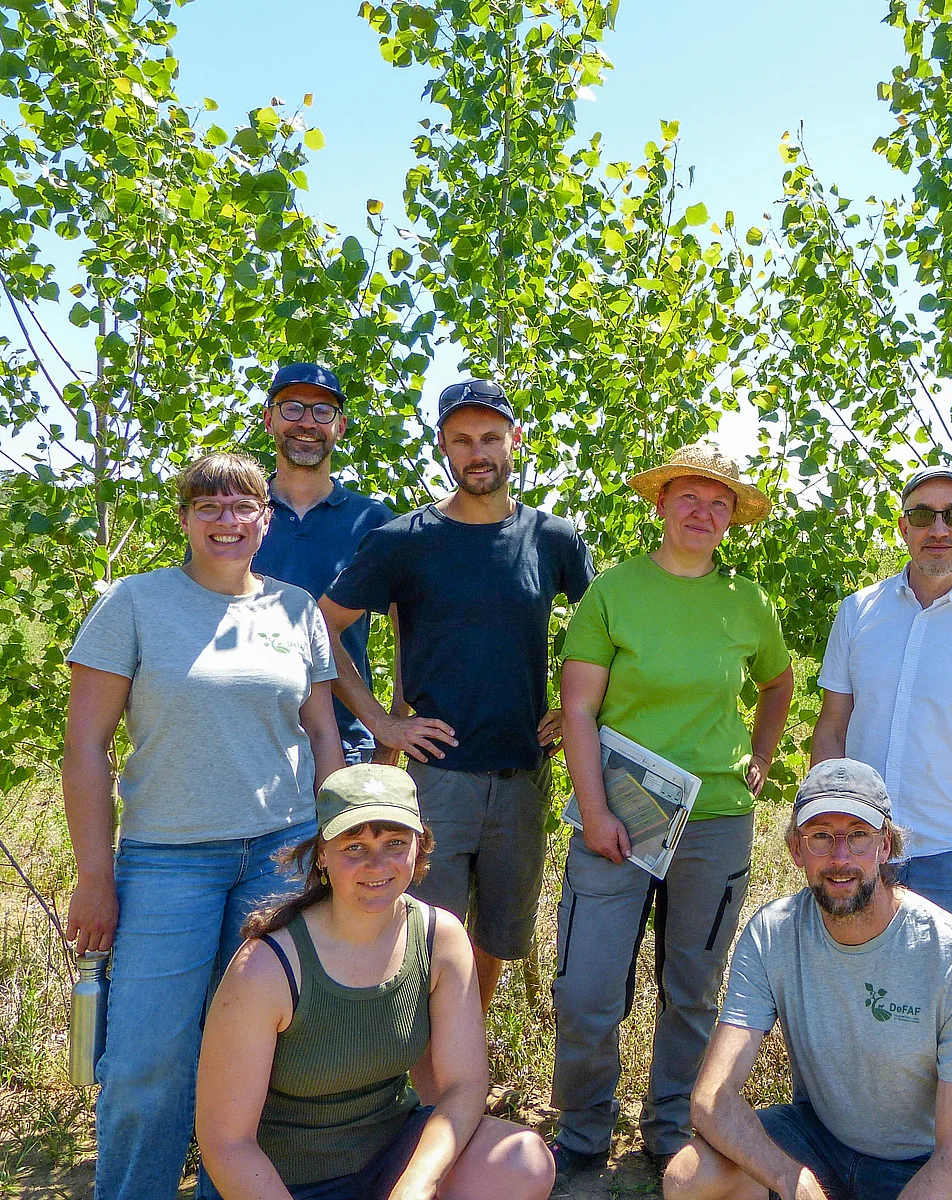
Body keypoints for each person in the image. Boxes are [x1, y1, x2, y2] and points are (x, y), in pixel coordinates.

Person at [62, 451, 344, 1200]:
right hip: (165, 861)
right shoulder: (132, 603)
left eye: (242, 506)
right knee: (146, 1062)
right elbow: (85, 746)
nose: (226, 520)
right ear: (184, 518)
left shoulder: (295, 609)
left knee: (255, 1058)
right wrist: (95, 875)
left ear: (266, 520)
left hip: (279, 859)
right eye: (208, 506)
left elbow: (321, 733)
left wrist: (330, 842)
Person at [551, 442, 794, 1178]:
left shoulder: (748, 601)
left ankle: (669, 1130)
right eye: (690, 496)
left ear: (732, 519)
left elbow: (778, 684)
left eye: (720, 502)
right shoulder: (613, 593)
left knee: (692, 986)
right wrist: (595, 812)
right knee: (588, 987)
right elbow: (578, 708)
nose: (704, 511)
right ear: (660, 505)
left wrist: (761, 755)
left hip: (716, 819)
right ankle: (585, 1133)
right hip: (620, 813)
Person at [318, 379, 594, 1011]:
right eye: (463, 438)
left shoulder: (551, 539)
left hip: (523, 770)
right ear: (442, 444)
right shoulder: (404, 540)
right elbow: (319, 627)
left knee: (497, 935)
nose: (478, 452)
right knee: (424, 934)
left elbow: (607, 635)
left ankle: (465, 1059)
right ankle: (422, 1078)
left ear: (514, 443)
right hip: (435, 777)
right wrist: (383, 723)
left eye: (491, 438)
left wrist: (577, 709)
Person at [196, 763, 555, 1200]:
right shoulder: (265, 967)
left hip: (388, 1160)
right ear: (322, 854)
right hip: (280, 1183)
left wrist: (417, 1185)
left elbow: (464, 1086)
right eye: (355, 846)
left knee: (524, 1162)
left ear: (419, 848)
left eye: (394, 843)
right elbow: (227, 1143)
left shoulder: (438, 937)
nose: (376, 864)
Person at [663, 758, 952, 1200]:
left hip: (922, 1165)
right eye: (821, 836)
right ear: (796, 849)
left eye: (858, 836)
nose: (840, 858)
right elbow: (711, 1099)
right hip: (818, 1142)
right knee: (688, 1179)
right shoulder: (772, 934)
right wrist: (788, 1177)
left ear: (886, 846)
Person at [811, 463, 952, 949]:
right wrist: (825, 833)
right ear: (903, 527)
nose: (939, 529)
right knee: (854, 1006)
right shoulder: (857, 614)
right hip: (858, 848)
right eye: (923, 515)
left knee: (950, 1016)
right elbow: (831, 729)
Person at [252, 362, 399, 765]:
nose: (307, 422)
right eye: (292, 408)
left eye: (322, 411)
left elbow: (414, 630)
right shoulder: (235, 517)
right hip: (246, 744)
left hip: (349, 745)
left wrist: (392, 728)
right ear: (268, 420)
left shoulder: (373, 522)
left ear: (340, 426)